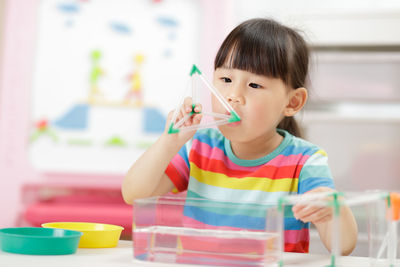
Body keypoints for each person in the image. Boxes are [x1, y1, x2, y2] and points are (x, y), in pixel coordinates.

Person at [122, 18, 358, 255]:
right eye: (225, 80)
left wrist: (333, 208)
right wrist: (169, 141)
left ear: (292, 101)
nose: (233, 96)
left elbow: (343, 246)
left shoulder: (304, 161)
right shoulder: (199, 149)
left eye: (254, 85)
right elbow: (134, 194)